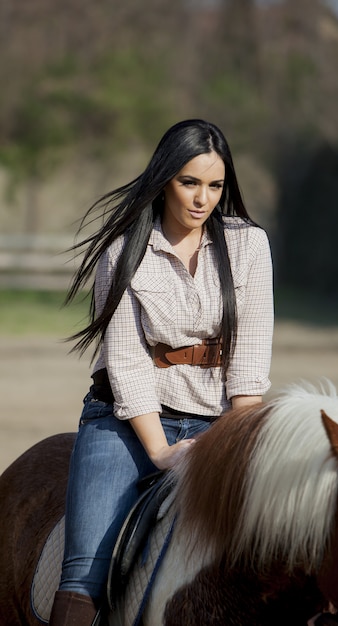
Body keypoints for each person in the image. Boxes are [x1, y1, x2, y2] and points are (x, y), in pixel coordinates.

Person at [49, 119, 274, 625]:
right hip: (126, 423)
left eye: (215, 185)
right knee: (86, 570)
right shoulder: (123, 250)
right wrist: (161, 451)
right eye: (189, 182)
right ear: (164, 180)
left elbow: (252, 352)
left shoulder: (249, 245)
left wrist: (238, 440)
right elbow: (127, 363)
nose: (203, 199)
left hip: (217, 420)